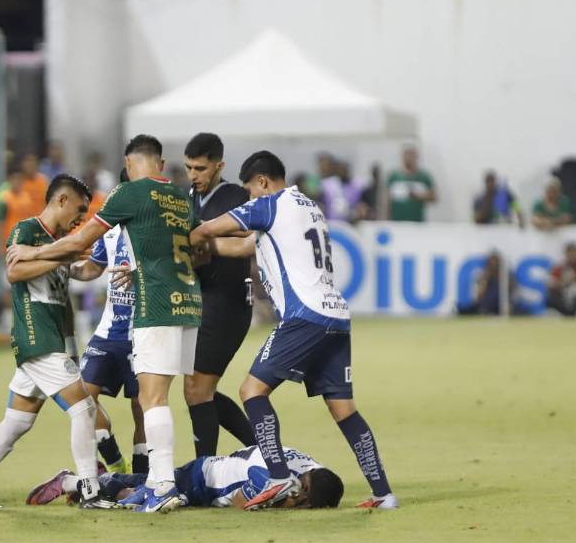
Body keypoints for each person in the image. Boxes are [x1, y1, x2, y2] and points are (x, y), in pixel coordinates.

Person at [189, 151, 398, 511]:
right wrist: (209, 245)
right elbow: (244, 245)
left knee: (251, 390)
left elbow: (208, 228)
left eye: (250, 191)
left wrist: (184, 238)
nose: (249, 199)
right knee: (345, 410)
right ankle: (384, 494)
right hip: (336, 316)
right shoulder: (309, 207)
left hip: (304, 316)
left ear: (263, 182)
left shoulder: (270, 204)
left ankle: (277, 476)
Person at [6, 135, 202, 514]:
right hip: (181, 307)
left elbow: (78, 239)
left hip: (152, 312)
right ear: (161, 163)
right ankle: (146, 479)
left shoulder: (130, 194)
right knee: (136, 398)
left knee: (149, 401)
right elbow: (196, 244)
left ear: (129, 165)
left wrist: (33, 251)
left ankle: (158, 484)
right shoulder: (179, 198)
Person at [0, 174, 118, 509]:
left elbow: (70, 286)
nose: (80, 218)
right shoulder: (27, 229)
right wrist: (66, 256)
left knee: (17, 422)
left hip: (51, 339)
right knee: (84, 409)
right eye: (79, 210)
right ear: (61, 200)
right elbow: (13, 273)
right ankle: (91, 492)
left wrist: (97, 263)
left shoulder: (58, 241)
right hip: (37, 338)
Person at [181, 132, 256, 457]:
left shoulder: (235, 196)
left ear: (219, 166)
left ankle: (205, 468)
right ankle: (264, 451)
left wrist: (204, 241)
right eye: (189, 168)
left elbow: (248, 237)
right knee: (199, 390)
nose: (193, 175)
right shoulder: (186, 198)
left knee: (197, 389)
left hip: (228, 303)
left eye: (200, 168)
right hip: (199, 302)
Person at [69, 176, 144, 474]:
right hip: (107, 333)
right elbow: (91, 268)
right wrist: (64, 268)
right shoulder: (109, 232)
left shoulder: (153, 232)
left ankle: (142, 476)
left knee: (142, 408)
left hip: (143, 334)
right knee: (82, 400)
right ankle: (115, 462)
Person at [26, 445, 345, 510]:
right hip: (203, 480)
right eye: (304, 495)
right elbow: (239, 503)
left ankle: (101, 478)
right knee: (135, 498)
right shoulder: (267, 475)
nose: (300, 499)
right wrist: (283, 505)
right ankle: (72, 482)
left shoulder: (313, 468)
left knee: (145, 481)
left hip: (215, 468)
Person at [385, 146, 437, 222]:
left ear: (416, 157)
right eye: (406, 155)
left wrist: (418, 195)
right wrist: (387, 219)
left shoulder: (424, 176)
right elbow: (388, 199)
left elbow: (433, 197)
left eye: (411, 155)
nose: (408, 158)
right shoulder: (394, 176)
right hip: (397, 221)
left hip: (417, 222)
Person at [456, 251, 516, 316]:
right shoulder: (486, 277)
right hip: (484, 307)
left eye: (495, 263)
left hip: (498, 307)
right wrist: (484, 281)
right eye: (491, 263)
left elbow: (511, 292)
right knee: (466, 309)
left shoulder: (505, 278)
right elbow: (478, 297)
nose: (493, 265)